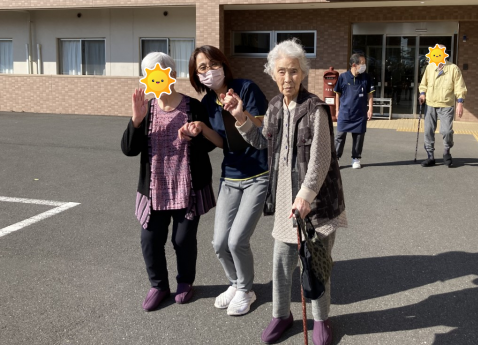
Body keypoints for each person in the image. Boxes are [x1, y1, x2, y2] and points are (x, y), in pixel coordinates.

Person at [223, 40, 347, 345]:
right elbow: (262, 141)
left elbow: (320, 159)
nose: (288, 78)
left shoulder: (315, 109)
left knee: (316, 266)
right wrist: (240, 116)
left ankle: (321, 319)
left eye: (293, 71)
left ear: (302, 73)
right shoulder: (275, 106)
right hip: (284, 204)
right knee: (281, 264)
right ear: (273, 74)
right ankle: (281, 315)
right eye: (282, 71)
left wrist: (305, 195)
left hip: (316, 205)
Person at [121, 52, 221, 312]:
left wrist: (194, 136)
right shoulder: (147, 109)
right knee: (150, 239)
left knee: (182, 240)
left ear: (172, 75)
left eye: (158, 74)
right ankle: (158, 286)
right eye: (148, 75)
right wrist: (136, 121)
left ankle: (185, 282)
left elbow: (210, 146)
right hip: (155, 190)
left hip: (187, 189)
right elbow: (129, 150)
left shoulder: (193, 106)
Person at [188, 45, 269, 316]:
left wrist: (240, 113)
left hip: (258, 174)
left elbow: (264, 128)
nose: (209, 71)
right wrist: (202, 128)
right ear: (196, 75)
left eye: (213, 64)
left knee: (236, 241)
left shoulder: (246, 88)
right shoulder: (206, 104)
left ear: (223, 64)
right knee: (219, 243)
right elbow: (223, 143)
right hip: (230, 176)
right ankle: (236, 283)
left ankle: (246, 289)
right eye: (202, 68)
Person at [418, 51, 467, 167]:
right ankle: (430, 156)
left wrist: (460, 102)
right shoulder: (430, 67)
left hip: (446, 105)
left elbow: (460, 87)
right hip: (430, 104)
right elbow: (423, 84)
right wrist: (422, 94)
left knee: (447, 131)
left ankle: (446, 151)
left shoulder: (453, 68)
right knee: (428, 131)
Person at [334, 53, 375, 169]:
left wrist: (370, 109)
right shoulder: (343, 77)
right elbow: (337, 94)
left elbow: (370, 94)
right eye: (362, 64)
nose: (364, 66)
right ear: (354, 65)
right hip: (344, 112)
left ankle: (356, 158)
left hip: (360, 113)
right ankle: (336, 159)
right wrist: (337, 110)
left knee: (359, 137)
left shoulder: (366, 77)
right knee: (340, 136)